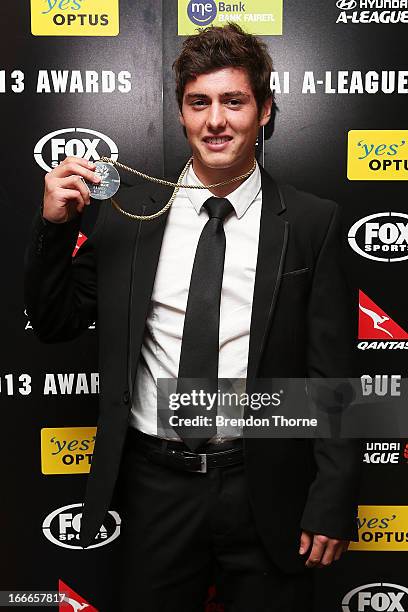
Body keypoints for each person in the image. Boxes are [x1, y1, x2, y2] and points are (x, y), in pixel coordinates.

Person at [24, 23, 361, 612]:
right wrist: (56, 229)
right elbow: (53, 322)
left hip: (266, 484)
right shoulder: (130, 213)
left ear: (265, 109)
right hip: (157, 487)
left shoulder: (313, 222)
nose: (215, 121)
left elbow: (332, 377)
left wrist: (332, 497)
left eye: (234, 101)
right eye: (198, 102)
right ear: (180, 112)